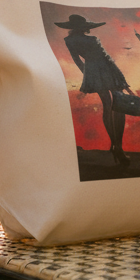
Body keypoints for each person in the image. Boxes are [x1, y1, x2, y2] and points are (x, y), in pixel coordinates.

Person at [55, 14, 132, 167]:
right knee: (118, 106)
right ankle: (119, 147)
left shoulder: (69, 40)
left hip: (92, 72)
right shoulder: (93, 39)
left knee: (107, 105)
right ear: (84, 27)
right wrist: (120, 77)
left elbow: (77, 60)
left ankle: (115, 145)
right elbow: (106, 58)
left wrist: (88, 75)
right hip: (107, 70)